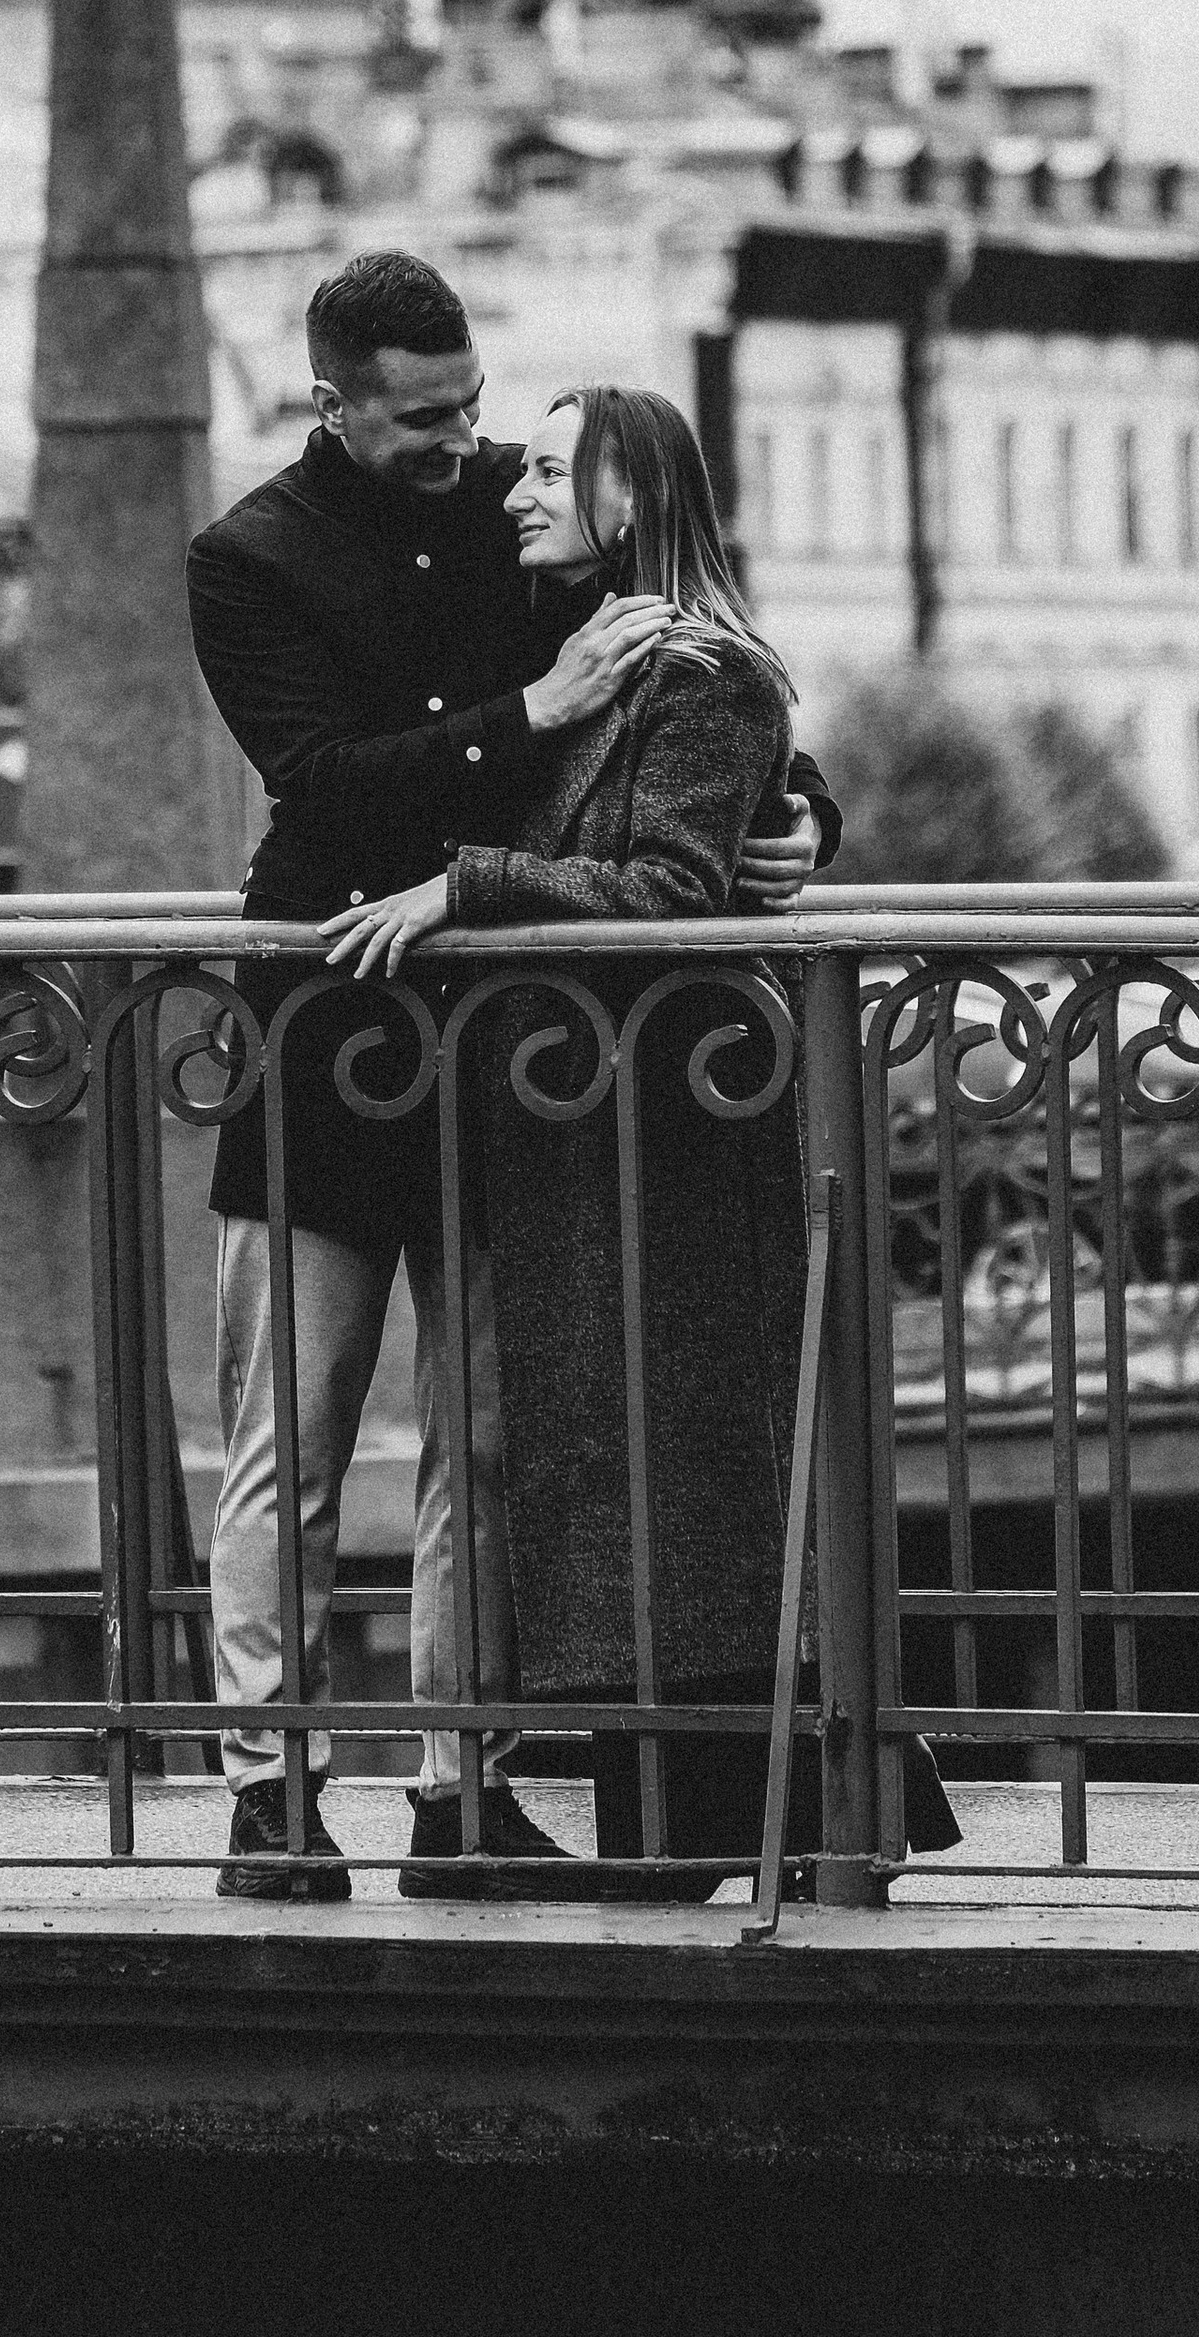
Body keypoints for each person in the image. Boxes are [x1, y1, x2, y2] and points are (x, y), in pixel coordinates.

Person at [186, 254, 837, 1902]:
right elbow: (320, 785)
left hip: (503, 1062)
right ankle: (271, 1793)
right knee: (298, 1438)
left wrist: (799, 817)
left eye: (473, 403)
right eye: (423, 417)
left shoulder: (514, 507)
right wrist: (524, 711)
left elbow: (689, 670)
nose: (462, 439)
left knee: (483, 1442)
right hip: (329, 1019)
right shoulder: (245, 556)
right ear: (332, 400)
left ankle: (458, 1787)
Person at [325, 382, 958, 1892]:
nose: (517, 491)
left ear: (635, 495)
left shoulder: (703, 673)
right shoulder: (574, 647)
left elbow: (674, 881)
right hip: (574, 1127)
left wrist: (470, 890)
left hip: (672, 1130)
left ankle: (737, 1823)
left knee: (684, 1473)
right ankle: (693, 1826)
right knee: (616, 1477)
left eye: (552, 467)